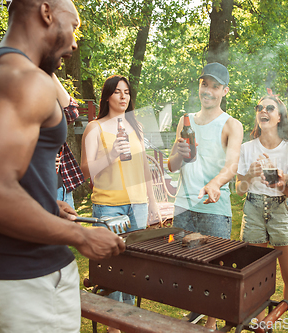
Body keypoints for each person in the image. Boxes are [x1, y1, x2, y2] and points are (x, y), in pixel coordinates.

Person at [0, 1, 125, 332]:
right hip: (26, 280)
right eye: (74, 26)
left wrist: (44, 202)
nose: (75, 42)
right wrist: (80, 236)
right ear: (46, 13)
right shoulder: (28, 80)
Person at [81, 75, 160, 333]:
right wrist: (112, 154)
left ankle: (129, 321)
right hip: (109, 207)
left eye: (126, 92)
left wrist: (153, 203)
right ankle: (113, 326)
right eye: (117, 92)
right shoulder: (96, 127)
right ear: (107, 97)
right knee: (112, 267)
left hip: (137, 204)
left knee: (134, 266)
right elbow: (85, 171)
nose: (123, 96)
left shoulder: (135, 127)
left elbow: (145, 167)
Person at [168, 62, 243, 329]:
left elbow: (231, 166)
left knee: (215, 269)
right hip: (183, 206)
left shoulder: (232, 124)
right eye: (204, 84)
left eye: (214, 86)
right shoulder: (185, 120)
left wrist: (215, 184)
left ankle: (211, 324)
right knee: (185, 267)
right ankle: (195, 312)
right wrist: (177, 152)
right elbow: (173, 166)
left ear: (225, 90)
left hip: (215, 208)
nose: (208, 90)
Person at [236, 92, 288, 333]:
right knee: (254, 274)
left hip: (280, 210)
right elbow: (238, 189)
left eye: (269, 108)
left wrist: (282, 180)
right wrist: (250, 175)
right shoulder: (246, 148)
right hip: (253, 207)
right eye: (259, 107)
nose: (263, 110)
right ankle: (258, 323)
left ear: (279, 118)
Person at [53, 74, 85, 210]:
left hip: (62, 189)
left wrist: (48, 71)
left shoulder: (48, 102)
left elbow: (71, 112)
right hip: (36, 190)